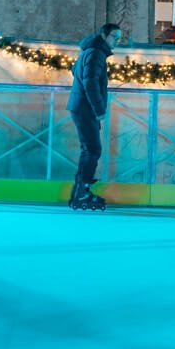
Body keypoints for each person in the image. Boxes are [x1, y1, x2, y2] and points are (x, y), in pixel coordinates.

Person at [67, 22, 120, 212]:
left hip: (82, 106)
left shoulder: (91, 51)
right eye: (114, 36)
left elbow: (76, 71)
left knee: (89, 149)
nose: (117, 41)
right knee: (93, 149)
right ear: (104, 35)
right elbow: (90, 82)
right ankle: (82, 190)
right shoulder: (96, 53)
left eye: (119, 37)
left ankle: (80, 190)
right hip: (85, 107)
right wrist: (99, 109)